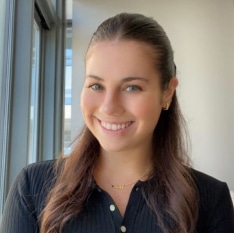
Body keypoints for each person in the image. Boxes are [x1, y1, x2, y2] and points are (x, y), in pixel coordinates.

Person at [0, 13, 233, 233]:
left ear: (167, 93)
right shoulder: (32, 187)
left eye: (132, 87)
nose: (109, 107)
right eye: (96, 85)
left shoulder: (211, 199)